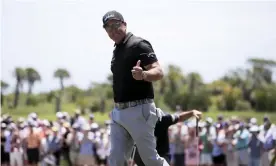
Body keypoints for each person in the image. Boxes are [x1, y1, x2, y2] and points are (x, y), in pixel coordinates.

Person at [102, 10, 168, 166]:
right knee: (116, 160)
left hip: (140, 110)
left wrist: (144, 75)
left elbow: (158, 72)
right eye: (108, 27)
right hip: (119, 113)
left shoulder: (138, 44)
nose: (112, 30)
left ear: (124, 24)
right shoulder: (117, 49)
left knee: (151, 160)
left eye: (116, 25)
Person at [133, 109, 202, 166]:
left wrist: (192, 112)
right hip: (144, 156)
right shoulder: (137, 123)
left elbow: (179, 117)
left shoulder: (162, 119)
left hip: (161, 155)